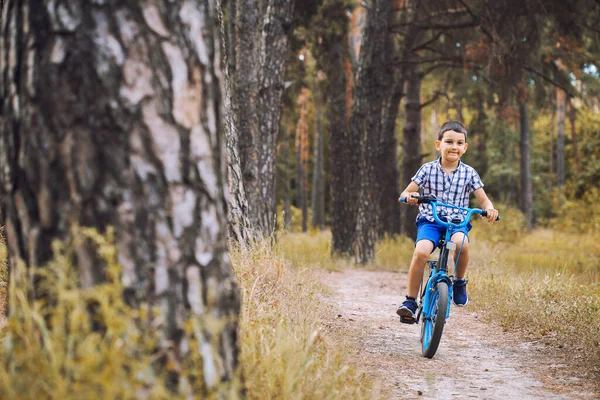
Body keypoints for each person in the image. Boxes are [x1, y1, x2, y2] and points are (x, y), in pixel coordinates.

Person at [396, 120, 499, 324]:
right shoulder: (427, 169)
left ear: (465, 147)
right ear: (438, 145)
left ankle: (459, 281)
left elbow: (484, 199)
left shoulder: (469, 173)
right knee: (421, 252)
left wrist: (489, 208)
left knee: (462, 244)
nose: (454, 147)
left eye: (459, 143)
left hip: (457, 223)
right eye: (449, 141)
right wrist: (410, 196)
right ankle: (410, 301)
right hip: (431, 221)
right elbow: (406, 192)